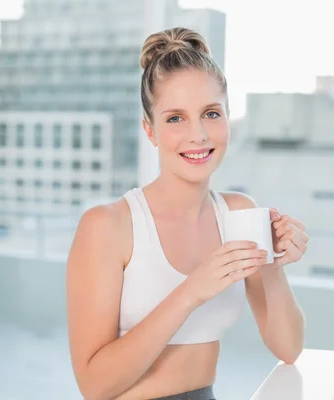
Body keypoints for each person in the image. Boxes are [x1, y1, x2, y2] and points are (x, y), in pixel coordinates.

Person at [66, 27, 308, 400]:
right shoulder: (108, 226)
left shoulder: (239, 214)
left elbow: (288, 349)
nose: (197, 135)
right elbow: (94, 386)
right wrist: (191, 291)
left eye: (210, 113)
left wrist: (273, 266)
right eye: (175, 118)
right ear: (151, 131)